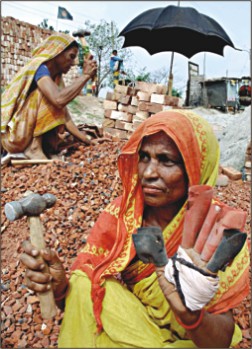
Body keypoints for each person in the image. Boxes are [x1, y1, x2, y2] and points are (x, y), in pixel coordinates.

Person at [20, 110, 250, 348]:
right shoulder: (123, 214)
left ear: (196, 168)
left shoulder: (217, 231)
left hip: (191, 339)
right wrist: (59, 288)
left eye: (166, 160)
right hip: (137, 324)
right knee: (82, 282)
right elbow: (76, 300)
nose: (148, 173)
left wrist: (190, 315)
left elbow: (220, 342)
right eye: (144, 157)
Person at [1, 33, 103, 165]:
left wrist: (88, 140)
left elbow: (65, 117)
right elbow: (58, 100)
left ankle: (43, 147)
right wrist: (85, 76)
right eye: (71, 57)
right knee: (44, 95)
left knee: (55, 100)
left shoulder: (55, 78)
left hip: (23, 133)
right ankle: (34, 149)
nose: (72, 63)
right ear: (58, 52)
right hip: (13, 136)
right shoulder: (39, 69)